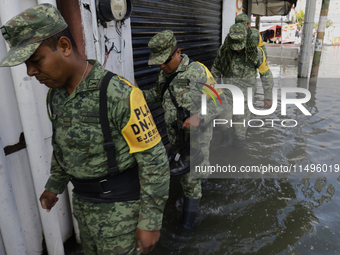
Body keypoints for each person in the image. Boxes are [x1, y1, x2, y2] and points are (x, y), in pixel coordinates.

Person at [0, 4, 170, 255]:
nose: (30, 71)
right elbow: (62, 145)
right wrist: (54, 185)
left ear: (65, 47)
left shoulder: (118, 94)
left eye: (36, 60)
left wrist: (150, 223)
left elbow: (154, 162)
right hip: (84, 207)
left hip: (121, 215)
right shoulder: (56, 96)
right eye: (27, 64)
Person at [143, 30, 226, 229]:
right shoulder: (164, 74)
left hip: (197, 138)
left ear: (178, 52)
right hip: (176, 139)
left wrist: (200, 116)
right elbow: (156, 94)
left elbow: (220, 99)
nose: (162, 66)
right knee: (194, 176)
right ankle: (201, 189)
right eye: (159, 63)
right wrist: (137, 94)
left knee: (191, 182)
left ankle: (187, 227)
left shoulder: (198, 71)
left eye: (165, 61)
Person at [211, 23, 274, 148]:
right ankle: (225, 141)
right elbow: (215, 72)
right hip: (227, 95)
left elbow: (266, 75)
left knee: (240, 128)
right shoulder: (224, 51)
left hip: (245, 98)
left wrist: (268, 96)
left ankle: (238, 150)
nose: (237, 49)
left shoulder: (256, 54)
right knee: (223, 122)